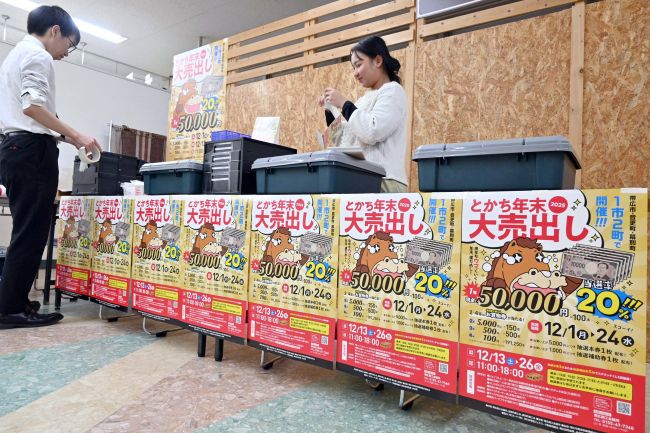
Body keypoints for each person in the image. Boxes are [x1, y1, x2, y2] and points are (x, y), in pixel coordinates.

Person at [0, 5, 101, 328]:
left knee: (26, 230)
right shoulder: (38, 56)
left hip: (16, 148)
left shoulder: (15, 55)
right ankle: (9, 310)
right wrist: (76, 134)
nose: (67, 53)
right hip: (31, 152)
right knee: (31, 233)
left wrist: (71, 139)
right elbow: (33, 107)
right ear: (55, 31)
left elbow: (32, 113)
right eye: (69, 44)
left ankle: (13, 302)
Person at [319, 35, 408, 193]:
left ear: (378, 61)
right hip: (364, 179)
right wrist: (330, 109)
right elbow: (340, 140)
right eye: (353, 68)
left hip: (386, 181)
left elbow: (372, 131)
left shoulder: (393, 91)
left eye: (358, 65)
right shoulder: (362, 101)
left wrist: (344, 104)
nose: (355, 73)